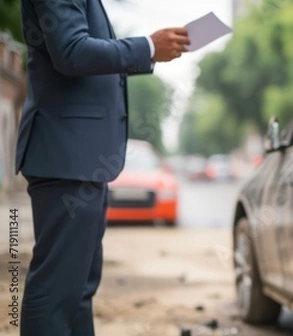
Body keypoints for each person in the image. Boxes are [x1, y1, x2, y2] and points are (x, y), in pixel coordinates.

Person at [15, 0, 190, 335]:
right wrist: (148, 46)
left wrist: (150, 53)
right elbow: (72, 52)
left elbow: (84, 54)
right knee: (56, 290)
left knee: (78, 290)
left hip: (80, 159)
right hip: (65, 158)